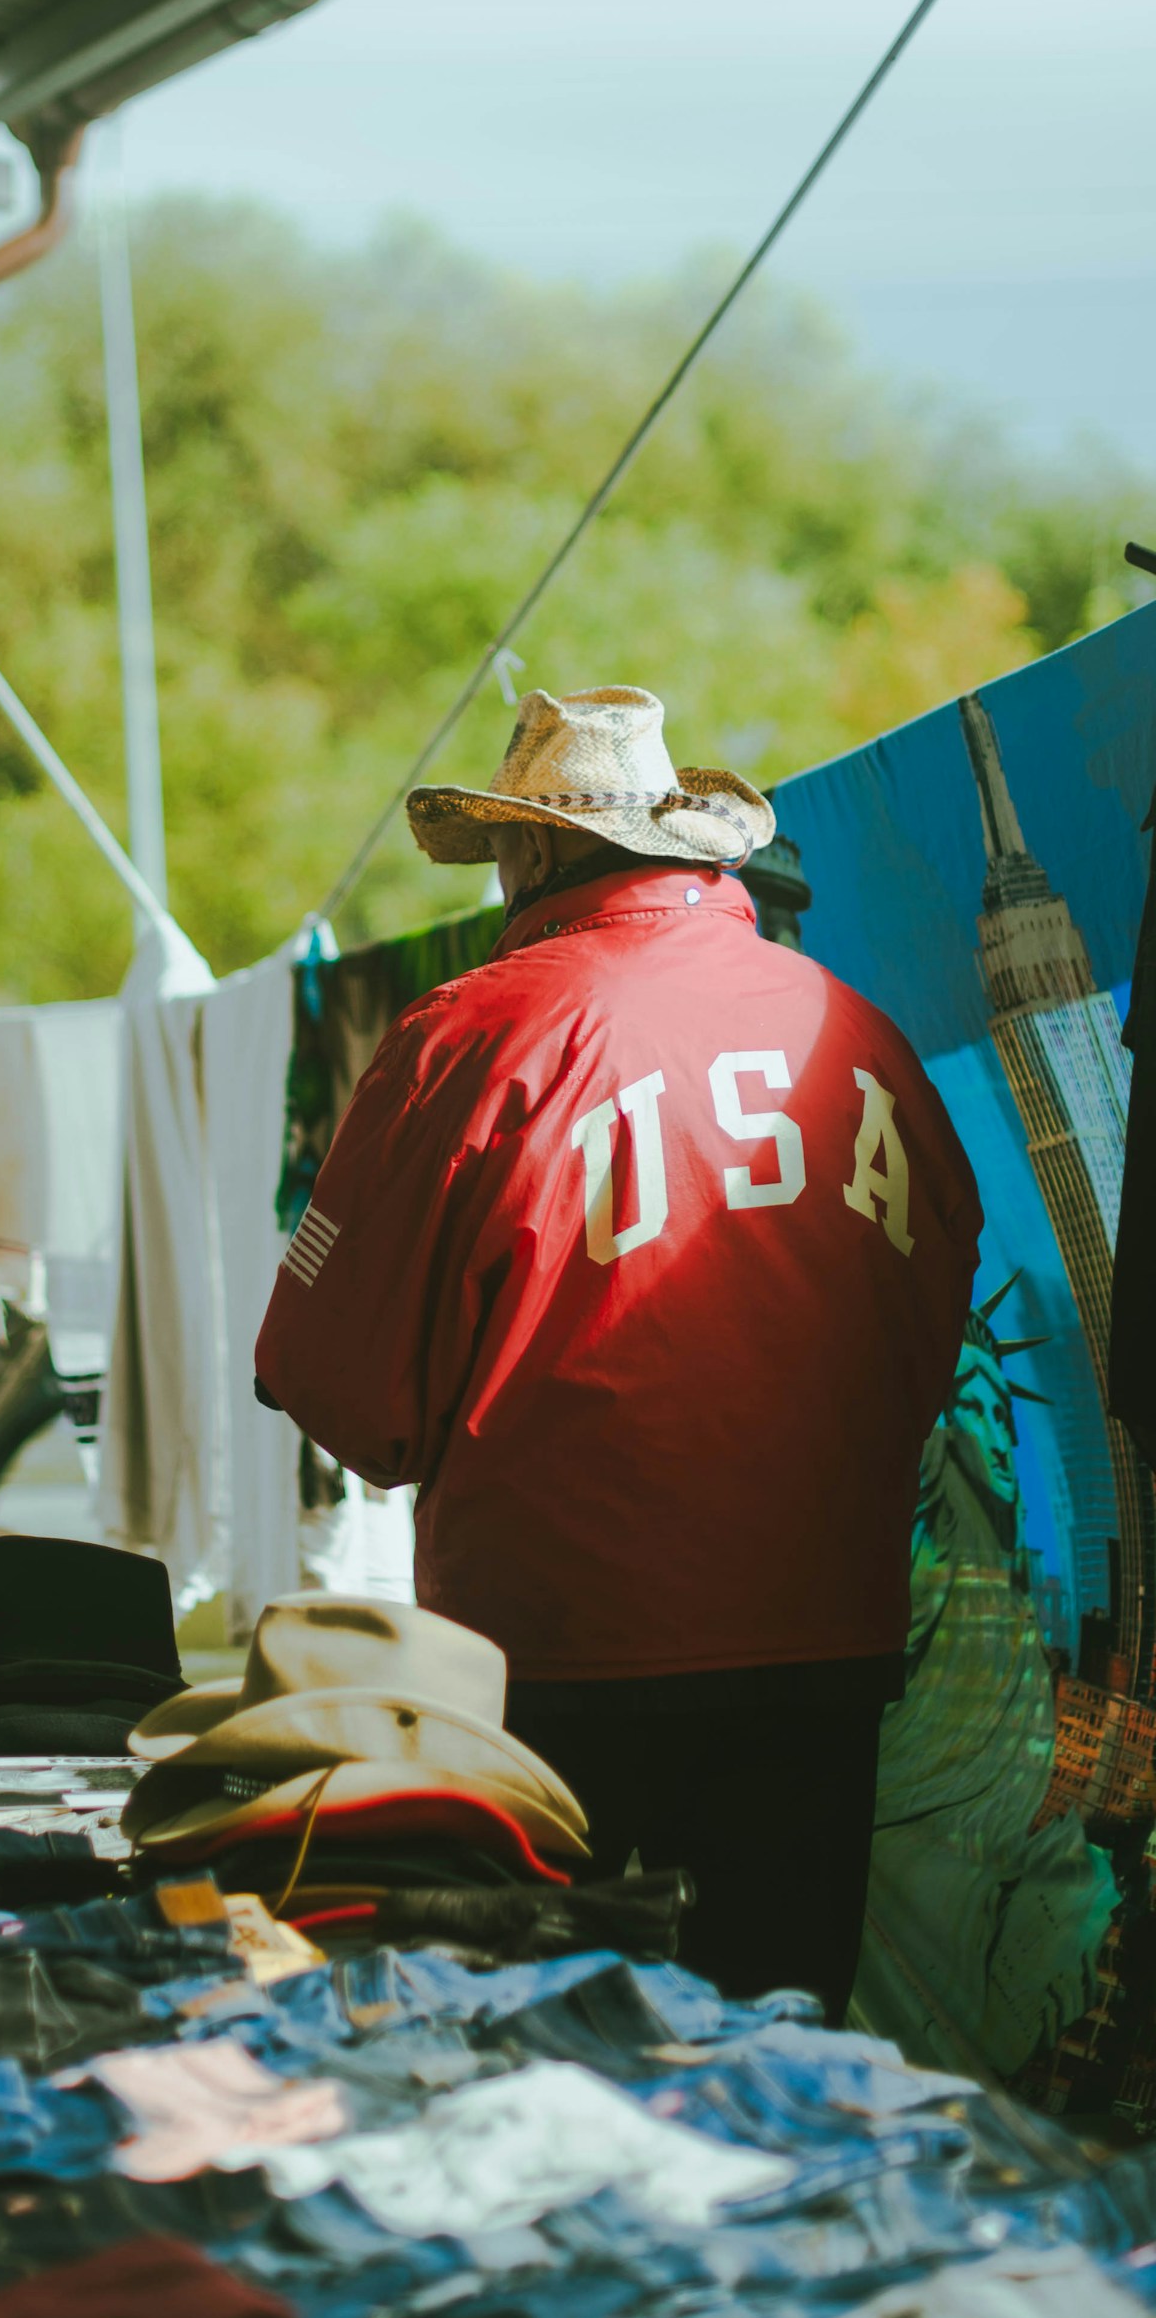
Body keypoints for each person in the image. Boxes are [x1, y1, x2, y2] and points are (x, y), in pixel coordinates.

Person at [255, 684, 981, 2017]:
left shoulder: (464, 1038)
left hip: (554, 1658)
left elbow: (334, 1383)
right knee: (786, 2034)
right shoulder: (857, 1035)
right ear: (693, 851)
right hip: (824, 1644)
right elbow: (940, 1322)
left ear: (529, 852)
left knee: (547, 2051)